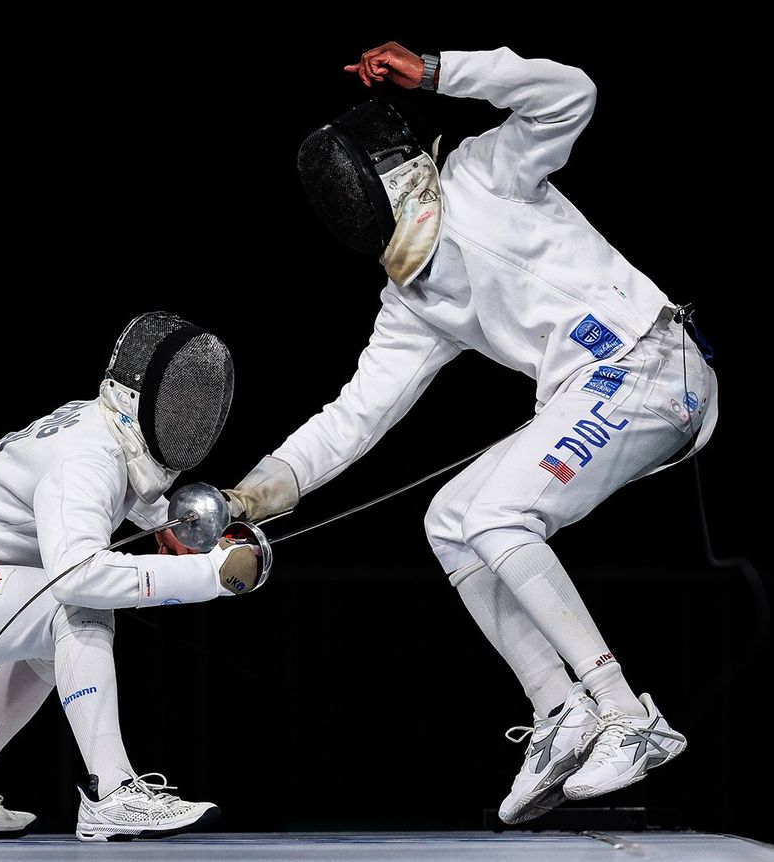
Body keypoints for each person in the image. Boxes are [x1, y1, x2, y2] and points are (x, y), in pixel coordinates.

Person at [225, 44, 717, 824]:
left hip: (652, 366)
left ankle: (631, 716)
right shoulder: (412, 301)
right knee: (450, 521)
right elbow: (354, 418)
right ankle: (562, 712)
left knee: (496, 515)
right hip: (592, 395)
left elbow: (570, 93)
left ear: (396, 172)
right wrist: (247, 494)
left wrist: (439, 71)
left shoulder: (486, 172)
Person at [0, 312, 263, 842]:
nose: (191, 416)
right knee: (75, 603)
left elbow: (110, 490)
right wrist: (207, 574)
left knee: (54, 638)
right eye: (180, 402)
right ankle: (112, 795)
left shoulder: (97, 426)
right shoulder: (87, 458)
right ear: (147, 400)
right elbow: (78, 576)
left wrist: (165, 520)